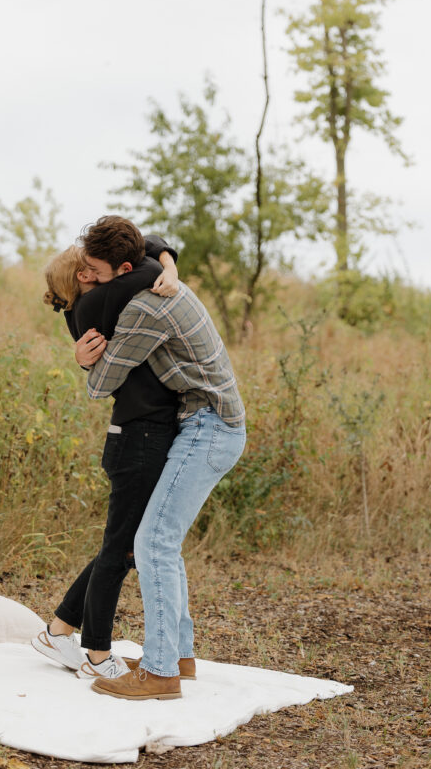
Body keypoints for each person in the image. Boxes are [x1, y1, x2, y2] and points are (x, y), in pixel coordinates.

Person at [74, 216, 246, 701]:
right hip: (208, 424)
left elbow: (100, 385)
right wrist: (167, 259)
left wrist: (84, 360)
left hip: (208, 428)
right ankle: (180, 657)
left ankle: (161, 672)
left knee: (152, 543)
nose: (88, 278)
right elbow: (150, 243)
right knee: (162, 541)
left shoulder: (146, 307)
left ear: (124, 267)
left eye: (94, 270)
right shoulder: (153, 271)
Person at [32, 233, 181, 679]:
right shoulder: (93, 306)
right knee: (120, 551)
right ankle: (96, 654)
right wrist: (168, 267)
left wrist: (167, 261)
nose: (110, 273)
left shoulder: (98, 306)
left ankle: (58, 630)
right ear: (82, 279)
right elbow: (149, 263)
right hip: (140, 439)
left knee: (119, 546)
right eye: (94, 270)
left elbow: (145, 245)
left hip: (136, 436)